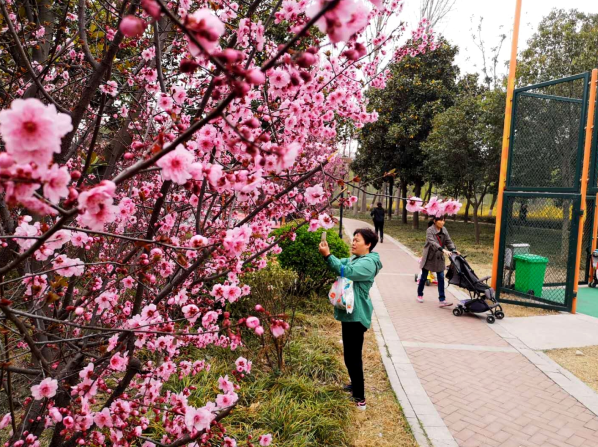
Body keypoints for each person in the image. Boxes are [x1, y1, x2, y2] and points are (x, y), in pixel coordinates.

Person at [319, 228, 382, 411]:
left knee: (353, 357)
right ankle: (355, 385)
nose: (353, 243)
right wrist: (329, 256)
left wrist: (327, 255)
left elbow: (345, 271)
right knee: (349, 355)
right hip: (350, 314)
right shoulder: (357, 258)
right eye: (353, 240)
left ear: (368, 244)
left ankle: (360, 398)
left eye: (357, 240)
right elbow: (341, 263)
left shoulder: (368, 263)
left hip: (357, 316)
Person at [417, 216, 459, 307]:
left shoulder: (444, 229)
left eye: (444, 220)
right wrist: (443, 250)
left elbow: (448, 241)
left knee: (441, 277)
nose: (443, 222)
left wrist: (453, 249)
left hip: (439, 257)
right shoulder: (430, 230)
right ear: (435, 221)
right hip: (429, 257)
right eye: (440, 220)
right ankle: (420, 294)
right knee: (424, 277)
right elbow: (433, 242)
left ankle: (442, 300)